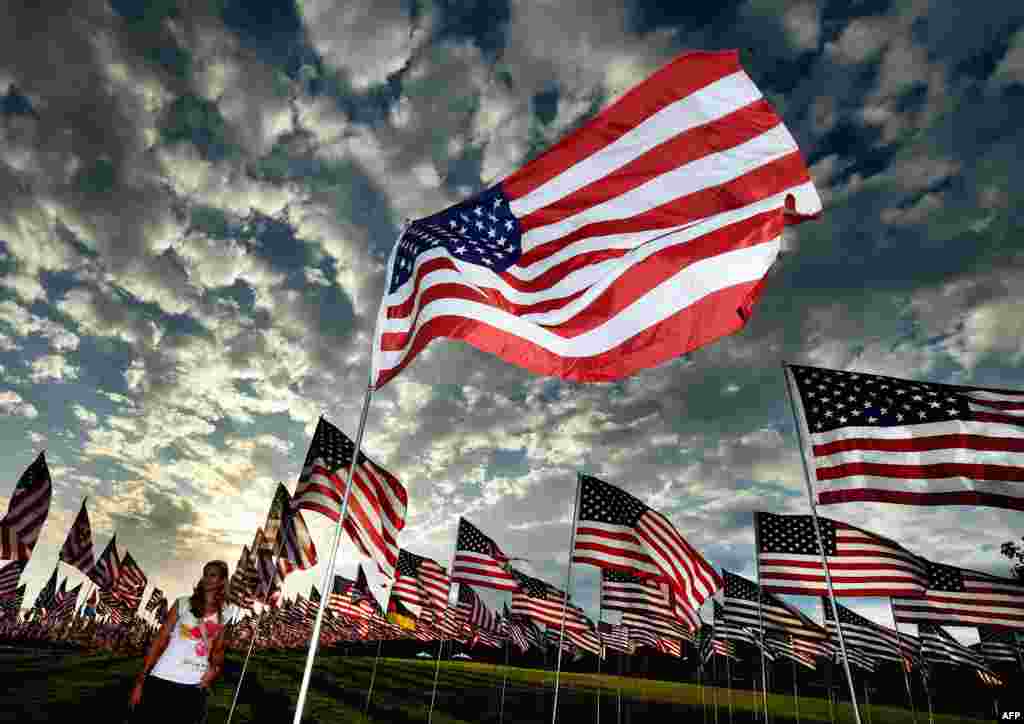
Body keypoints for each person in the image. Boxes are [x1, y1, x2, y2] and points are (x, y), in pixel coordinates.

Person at [129, 560, 233, 723]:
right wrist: (141, 681)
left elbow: (218, 650)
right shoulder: (183, 603)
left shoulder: (226, 613)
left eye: (212, 575)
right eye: (205, 574)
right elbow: (159, 641)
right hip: (163, 678)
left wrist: (214, 670)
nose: (206, 578)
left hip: (195, 686)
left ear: (222, 581)